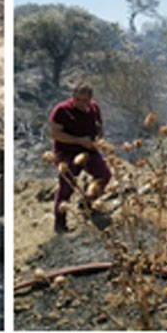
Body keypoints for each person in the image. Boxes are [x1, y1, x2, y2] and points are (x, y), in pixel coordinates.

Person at [48, 84, 111, 233]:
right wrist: (78, 140)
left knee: (104, 175)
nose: (81, 103)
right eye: (78, 99)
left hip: (89, 149)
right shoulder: (62, 111)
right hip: (67, 152)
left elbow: (99, 127)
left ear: (90, 99)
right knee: (66, 187)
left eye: (85, 100)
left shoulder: (94, 109)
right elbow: (55, 134)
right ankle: (60, 222)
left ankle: (87, 203)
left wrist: (98, 140)